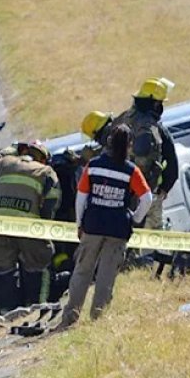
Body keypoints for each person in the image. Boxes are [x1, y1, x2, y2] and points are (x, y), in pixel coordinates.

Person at [58, 124, 153, 328]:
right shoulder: (131, 171)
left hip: (92, 226)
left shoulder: (93, 165)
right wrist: (135, 218)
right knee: (106, 276)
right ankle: (98, 320)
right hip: (117, 229)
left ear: (109, 142)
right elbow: (147, 198)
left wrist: (79, 224)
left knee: (82, 272)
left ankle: (70, 317)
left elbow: (81, 197)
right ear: (129, 146)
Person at [0, 140, 61, 313]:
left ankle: (5, 311)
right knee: (38, 264)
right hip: (29, 228)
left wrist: (11, 147)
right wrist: (44, 227)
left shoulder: (5, 163)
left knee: (3, 267)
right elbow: (51, 205)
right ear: (43, 158)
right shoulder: (46, 172)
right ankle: (34, 310)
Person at [112, 78, 179, 275]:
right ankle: (149, 272)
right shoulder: (156, 128)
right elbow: (172, 165)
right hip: (146, 195)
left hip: (114, 191)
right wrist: (163, 189)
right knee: (152, 237)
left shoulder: (120, 120)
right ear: (156, 104)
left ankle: (121, 268)